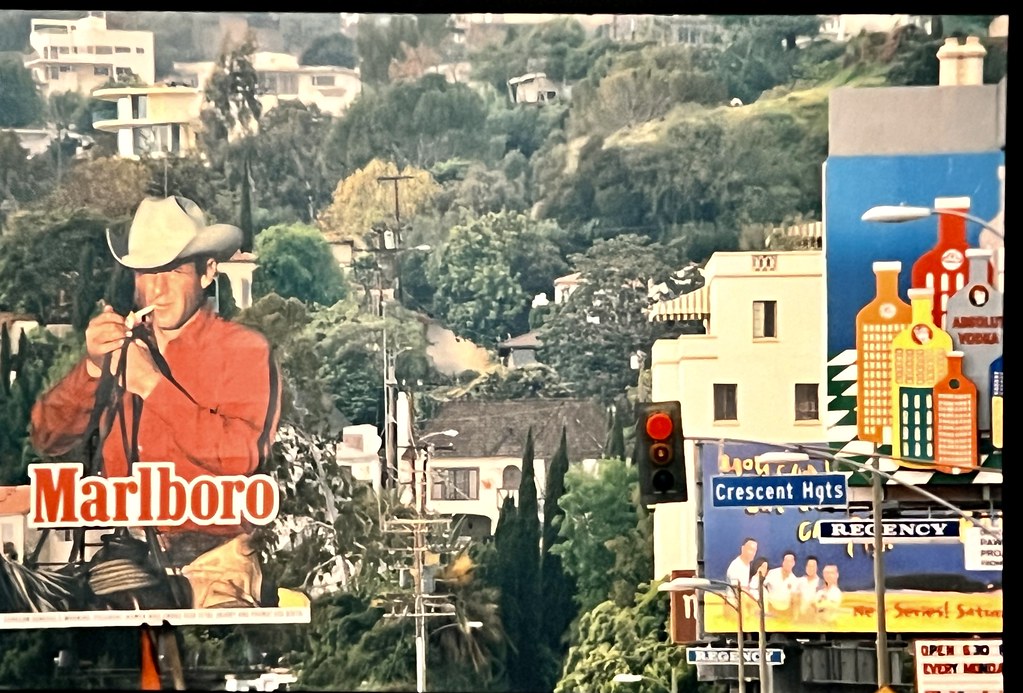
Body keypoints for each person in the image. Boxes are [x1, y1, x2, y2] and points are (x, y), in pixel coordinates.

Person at [29, 195, 282, 609]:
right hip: (128, 561)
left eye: (173, 271)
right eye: (146, 272)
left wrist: (152, 386)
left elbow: (241, 457)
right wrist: (92, 368)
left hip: (217, 564)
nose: (157, 289)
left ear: (207, 273)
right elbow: (46, 436)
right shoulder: (122, 347)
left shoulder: (243, 350)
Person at [762, 549, 801, 617]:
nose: (788, 563)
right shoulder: (773, 573)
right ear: (783, 562)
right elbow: (763, 585)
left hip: (784, 607)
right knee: (761, 589)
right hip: (771, 603)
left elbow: (794, 600)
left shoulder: (795, 580)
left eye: (790, 561)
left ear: (793, 563)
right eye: (786, 561)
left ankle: (794, 618)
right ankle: (765, 613)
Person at [797, 554, 822, 619]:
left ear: (817, 568)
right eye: (809, 566)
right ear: (806, 567)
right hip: (799, 615)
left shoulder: (821, 583)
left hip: (814, 616)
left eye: (813, 566)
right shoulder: (799, 581)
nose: (811, 568)